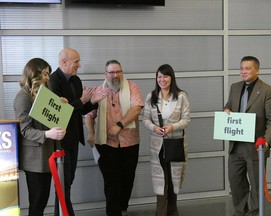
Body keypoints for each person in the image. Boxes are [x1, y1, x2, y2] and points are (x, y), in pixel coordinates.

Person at [85, 59, 144, 216]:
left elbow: (136, 109)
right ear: (105, 74)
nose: (116, 75)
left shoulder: (133, 87)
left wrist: (120, 125)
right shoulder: (98, 91)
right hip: (106, 143)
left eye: (118, 71)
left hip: (130, 142)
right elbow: (89, 115)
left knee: (127, 179)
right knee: (111, 181)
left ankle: (122, 207)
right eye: (112, 72)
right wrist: (91, 133)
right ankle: (113, 213)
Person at [49, 48, 104, 216]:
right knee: (63, 182)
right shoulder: (52, 81)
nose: (79, 65)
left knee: (68, 181)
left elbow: (80, 109)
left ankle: (63, 212)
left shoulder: (76, 81)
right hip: (60, 140)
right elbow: (59, 112)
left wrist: (93, 101)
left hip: (73, 139)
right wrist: (81, 100)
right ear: (64, 62)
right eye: (76, 62)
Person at [224, 56, 271, 216]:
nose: (243, 71)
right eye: (241, 68)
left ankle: (254, 213)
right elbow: (229, 105)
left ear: (257, 70)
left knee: (256, 185)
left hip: (256, 146)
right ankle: (241, 211)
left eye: (247, 68)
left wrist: (267, 142)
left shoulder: (268, 91)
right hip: (236, 145)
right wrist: (227, 110)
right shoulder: (235, 87)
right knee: (235, 182)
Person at [13, 58, 66, 216]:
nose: (48, 78)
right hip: (35, 160)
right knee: (37, 203)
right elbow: (25, 130)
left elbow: (49, 122)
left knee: (42, 201)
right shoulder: (23, 97)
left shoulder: (43, 96)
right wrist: (48, 134)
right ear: (34, 73)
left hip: (47, 156)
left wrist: (60, 108)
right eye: (45, 74)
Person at [142, 64, 190, 216]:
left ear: (172, 77)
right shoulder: (151, 96)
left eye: (165, 76)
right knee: (160, 180)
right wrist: (154, 128)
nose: (162, 79)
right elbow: (145, 119)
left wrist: (172, 127)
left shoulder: (181, 96)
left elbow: (186, 119)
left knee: (173, 181)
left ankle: (173, 211)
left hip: (176, 144)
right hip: (157, 146)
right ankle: (160, 212)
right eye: (159, 76)